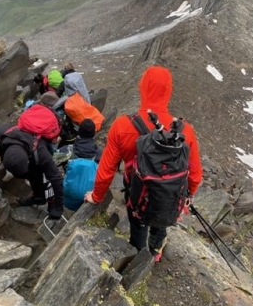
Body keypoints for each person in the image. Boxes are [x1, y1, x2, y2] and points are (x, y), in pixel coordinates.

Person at [85, 66, 203, 261]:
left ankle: (138, 256)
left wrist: (96, 196)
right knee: (162, 219)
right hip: (169, 196)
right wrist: (189, 193)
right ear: (169, 91)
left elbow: (106, 171)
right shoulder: (185, 131)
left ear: (142, 88)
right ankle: (156, 251)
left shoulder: (122, 125)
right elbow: (195, 174)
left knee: (138, 222)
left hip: (137, 194)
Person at [0, 121, 64, 219]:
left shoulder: (41, 153)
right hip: (25, 148)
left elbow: (56, 178)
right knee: (33, 173)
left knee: (43, 175)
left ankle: (51, 200)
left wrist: (58, 208)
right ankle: (38, 197)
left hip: (40, 145)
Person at [62, 119, 102, 211]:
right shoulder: (99, 153)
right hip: (88, 196)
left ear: (79, 132)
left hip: (68, 194)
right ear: (93, 134)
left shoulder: (68, 150)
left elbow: (51, 162)